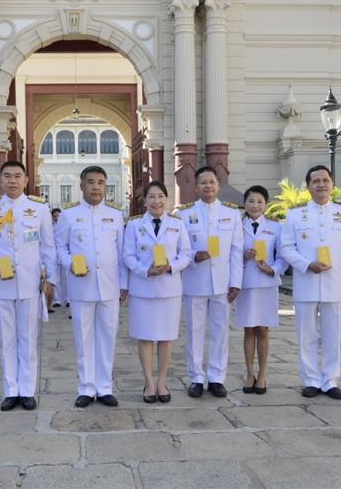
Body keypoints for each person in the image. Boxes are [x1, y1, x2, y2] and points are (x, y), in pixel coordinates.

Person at [0, 161, 55, 412]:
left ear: (26, 179)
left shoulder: (39, 208)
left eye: (17, 176)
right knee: (6, 340)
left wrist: (49, 278)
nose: (12, 180)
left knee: (28, 339)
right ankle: (11, 390)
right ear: (0, 180)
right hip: (2, 284)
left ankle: (27, 390)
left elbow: (48, 247)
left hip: (31, 284)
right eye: (7, 176)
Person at [280, 165, 341, 400]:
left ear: (332, 184)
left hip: (335, 283)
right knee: (307, 334)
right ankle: (311, 379)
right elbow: (286, 247)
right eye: (316, 181)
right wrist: (305, 264)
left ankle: (331, 380)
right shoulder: (295, 215)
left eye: (325, 180)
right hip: (307, 281)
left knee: (333, 334)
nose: (321, 185)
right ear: (308, 186)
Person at [52, 165, 126, 408]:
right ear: (82, 185)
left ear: (106, 186)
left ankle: (104, 387)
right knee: (83, 338)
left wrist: (123, 284)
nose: (96, 186)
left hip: (109, 286)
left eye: (101, 182)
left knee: (107, 337)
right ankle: (86, 387)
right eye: (91, 182)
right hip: (81, 286)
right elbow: (59, 247)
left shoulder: (115, 215)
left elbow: (121, 252)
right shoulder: (69, 215)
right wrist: (70, 263)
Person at [174, 166, 243, 398]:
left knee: (220, 330)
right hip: (195, 280)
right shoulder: (184, 214)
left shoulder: (232, 214)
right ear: (196, 187)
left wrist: (236, 282)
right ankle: (196, 377)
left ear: (218, 184)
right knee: (194, 330)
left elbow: (236, 250)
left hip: (222, 282)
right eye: (203, 182)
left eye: (212, 182)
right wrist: (194, 257)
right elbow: (180, 249)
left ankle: (216, 377)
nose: (208, 186)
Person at [122, 181, 192, 403]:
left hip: (169, 289)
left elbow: (186, 254)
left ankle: (162, 381)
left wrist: (171, 266)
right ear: (144, 201)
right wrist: (145, 271)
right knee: (145, 337)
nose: (156, 201)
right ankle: (148, 382)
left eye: (161, 196)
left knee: (166, 338)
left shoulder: (177, 224)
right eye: (151, 197)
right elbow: (128, 256)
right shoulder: (133, 225)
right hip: (143, 288)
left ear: (167, 199)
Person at [234, 185, 287, 395]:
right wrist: (243, 256)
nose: (255, 205)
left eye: (259, 201)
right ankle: (249, 373)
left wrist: (273, 269)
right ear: (245, 203)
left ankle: (263, 374)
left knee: (263, 330)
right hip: (246, 283)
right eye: (251, 201)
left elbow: (284, 256)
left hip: (266, 283)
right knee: (248, 330)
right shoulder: (237, 226)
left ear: (266, 205)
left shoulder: (276, 227)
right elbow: (230, 254)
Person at [49, 207, 64, 311]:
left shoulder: (65, 225)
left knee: (66, 278)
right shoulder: (50, 227)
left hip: (64, 254)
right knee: (56, 278)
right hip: (54, 254)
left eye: (58, 215)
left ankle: (67, 299)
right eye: (54, 216)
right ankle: (57, 300)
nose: (56, 218)